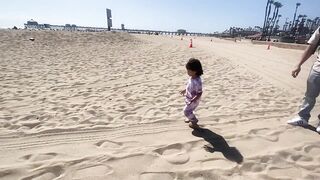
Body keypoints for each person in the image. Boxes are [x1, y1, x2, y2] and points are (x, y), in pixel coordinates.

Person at [287, 26, 320, 133]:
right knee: (309, 95)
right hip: (318, 68)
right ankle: (303, 118)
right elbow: (311, 47)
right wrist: (298, 65)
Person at [180, 58, 203, 128]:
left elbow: (199, 93)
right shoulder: (192, 77)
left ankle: (194, 121)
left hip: (194, 100)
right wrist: (185, 90)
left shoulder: (197, 81)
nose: (187, 72)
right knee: (190, 110)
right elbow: (189, 85)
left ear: (195, 71)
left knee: (186, 111)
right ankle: (190, 117)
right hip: (189, 97)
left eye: (188, 70)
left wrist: (193, 99)